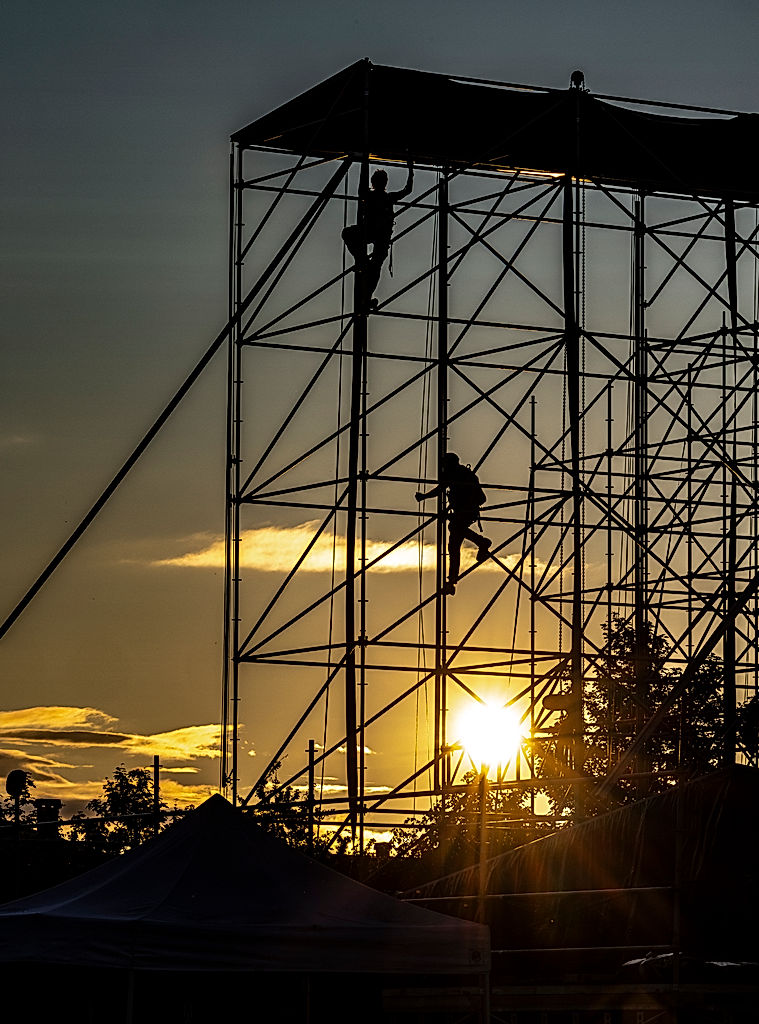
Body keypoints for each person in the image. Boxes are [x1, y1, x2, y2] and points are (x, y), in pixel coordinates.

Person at [342, 156, 414, 310]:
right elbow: (407, 190)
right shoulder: (383, 197)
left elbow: (407, 190)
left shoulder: (378, 196)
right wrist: (410, 169)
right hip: (377, 234)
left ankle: (366, 293)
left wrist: (411, 169)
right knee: (374, 265)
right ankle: (363, 267)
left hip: (377, 235)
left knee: (374, 265)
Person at [415, 452, 491, 595]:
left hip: (466, 511)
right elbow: (480, 498)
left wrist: (424, 496)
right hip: (466, 512)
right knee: (454, 541)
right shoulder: (465, 474)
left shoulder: (457, 474)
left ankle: (482, 543)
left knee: (454, 539)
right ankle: (452, 580)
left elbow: (440, 489)